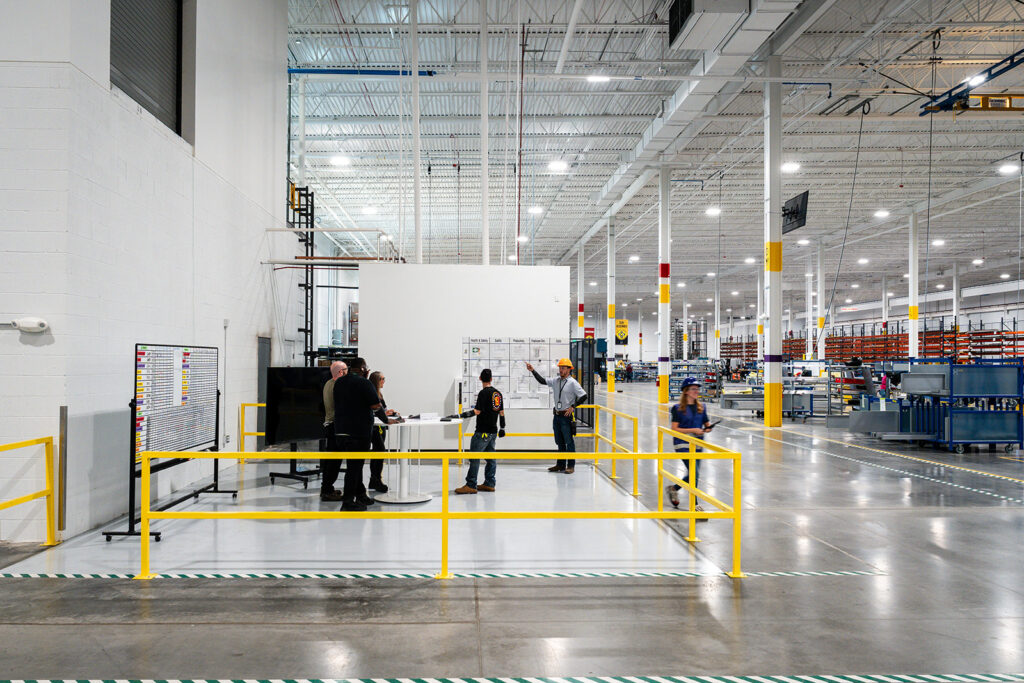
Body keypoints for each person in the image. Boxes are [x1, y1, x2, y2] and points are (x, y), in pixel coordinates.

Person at [333, 357, 381, 511]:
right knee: (354, 468)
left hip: (340, 431)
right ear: (362, 368)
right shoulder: (364, 383)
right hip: (358, 432)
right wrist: (387, 419)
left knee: (355, 466)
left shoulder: (339, 382)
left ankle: (360, 495)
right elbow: (375, 405)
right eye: (366, 367)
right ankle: (347, 502)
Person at [526, 358, 588, 474]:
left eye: (563, 368)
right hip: (557, 416)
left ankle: (571, 466)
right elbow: (542, 381)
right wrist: (533, 370)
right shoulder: (556, 380)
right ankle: (560, 464)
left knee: (569, 442)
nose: (560, 370)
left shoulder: (573, 383)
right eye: (560, 368)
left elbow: (584, 396)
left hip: (566, 416)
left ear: (569, 370)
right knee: (559, 442)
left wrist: (573, 406)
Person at [665, 376, 712, 517]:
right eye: (693, 389)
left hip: (697, 444)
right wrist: (692, 430)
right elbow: (674, 428)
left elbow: (707, 424)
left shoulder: (701, 407)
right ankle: (695, 505)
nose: (696, 391)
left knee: (694, 474)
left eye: (697, 389)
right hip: (683, 444)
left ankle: (674, 488)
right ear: (686, 391)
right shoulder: (677, 408)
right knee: (695, 473)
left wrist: (708, 429)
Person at [455, 368, 505, 494]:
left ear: (480, 379)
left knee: (474, 457)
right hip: (493, 432)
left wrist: (461, 415)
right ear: (491, 379)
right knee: (491, 458)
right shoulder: (497, 394)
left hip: (482, 431)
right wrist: (502, 427)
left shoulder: (483, 393)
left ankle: (471, 484)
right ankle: (490, 483)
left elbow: (477, 411)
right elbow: (502, 412)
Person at [320, 360, 347, 502]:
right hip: (335, 426)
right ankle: (326, 491)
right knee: (334, 461)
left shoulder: (328, 383)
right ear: (341, 372)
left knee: (332, 460)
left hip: (330, 425)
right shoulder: (337, 385)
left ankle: (327, 488)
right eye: (346, 370)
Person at [367, 371, 394, 493]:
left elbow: (383, 409)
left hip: (381, 426)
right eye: (382, 379)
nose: (384, 381)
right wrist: (384, 414)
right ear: (376, 380)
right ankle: (376, 480)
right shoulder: (372, 393)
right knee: (379, 451)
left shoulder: (380, 394)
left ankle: (376, 479)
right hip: (375, 426)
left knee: (379, 452)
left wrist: (389, 413)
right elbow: (372, 410)